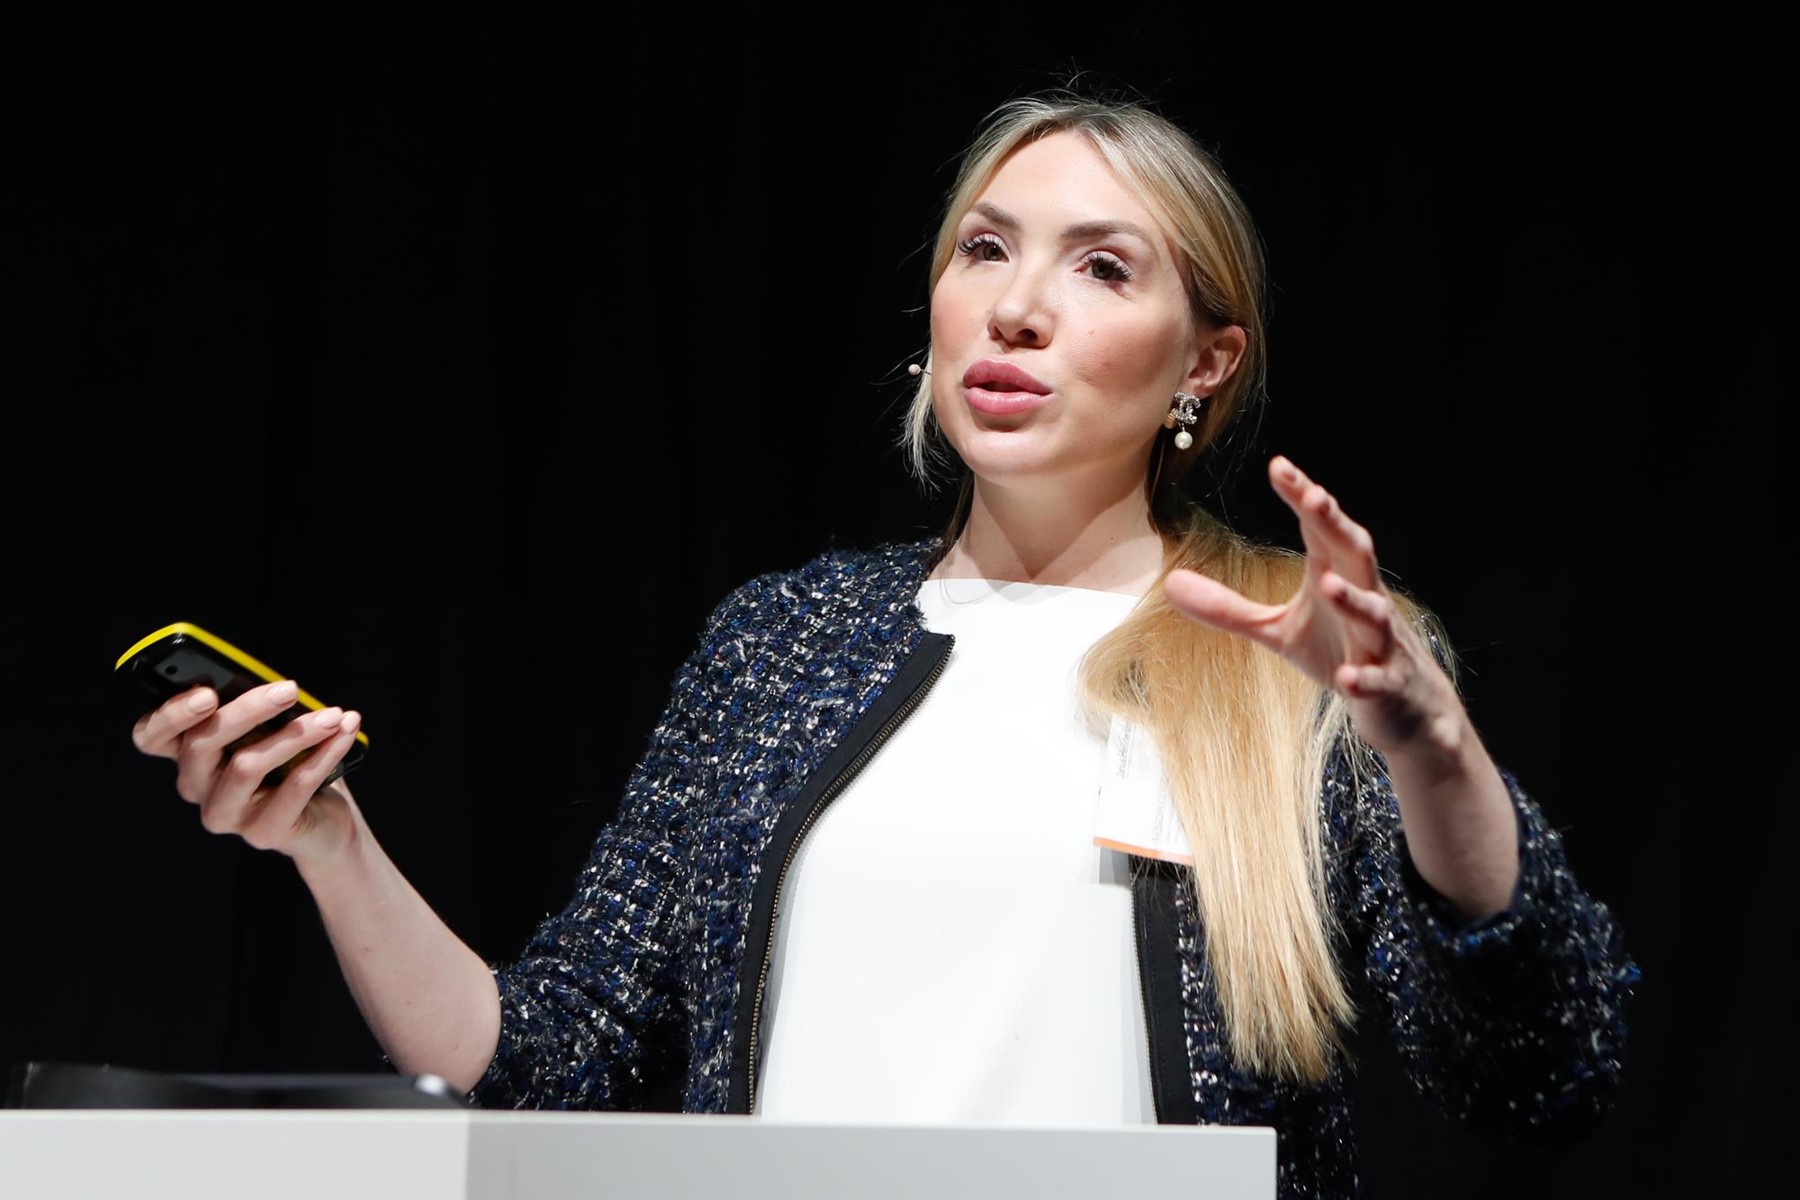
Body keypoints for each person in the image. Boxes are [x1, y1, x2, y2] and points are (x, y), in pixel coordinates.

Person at [129, 89, 1636, 1198]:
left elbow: (1543, 1068)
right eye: (986, 249)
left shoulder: (1285, 659)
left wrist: (1433, 753)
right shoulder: (783, 646)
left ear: (1205, 362)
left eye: (1102, 268)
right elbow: (542, 1065)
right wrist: (330, 840)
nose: (1020, 307)